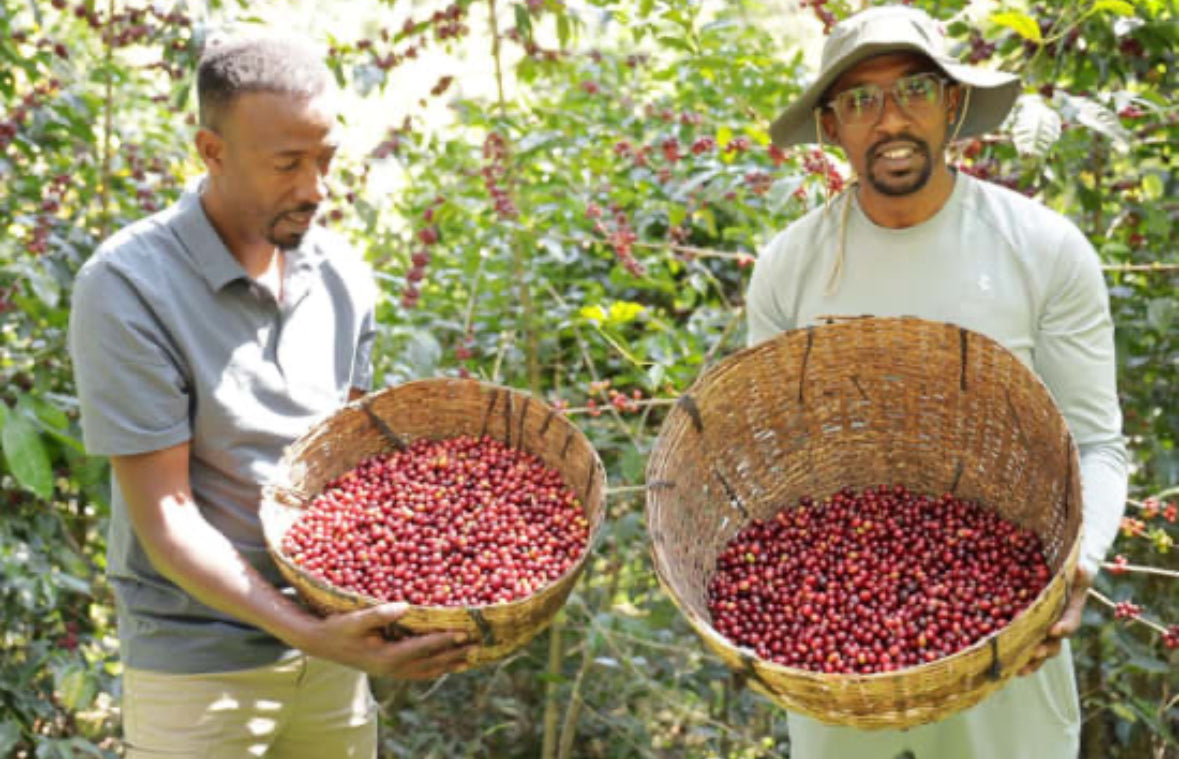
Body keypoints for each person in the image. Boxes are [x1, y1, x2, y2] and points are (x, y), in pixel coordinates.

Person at [69, 34, 471, 758]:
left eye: (325, 159)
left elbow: (350, 474)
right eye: (288, 163)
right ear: (211, 150)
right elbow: (166, 515)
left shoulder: (342, 275)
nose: (315, 187)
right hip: (200, 669)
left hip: (333, 654)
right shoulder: (127, 287)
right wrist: (310, 630)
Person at [746, 6, 1127, 758]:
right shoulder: (788, 268)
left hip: (1007, 637)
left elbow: (1095, 444)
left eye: (913, 90)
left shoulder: (1042, 250)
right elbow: (772, 457)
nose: (889, 120)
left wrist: (1078, 561)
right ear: (830, 128)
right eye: (859, 100)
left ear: (952, 103)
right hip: (840, 669)